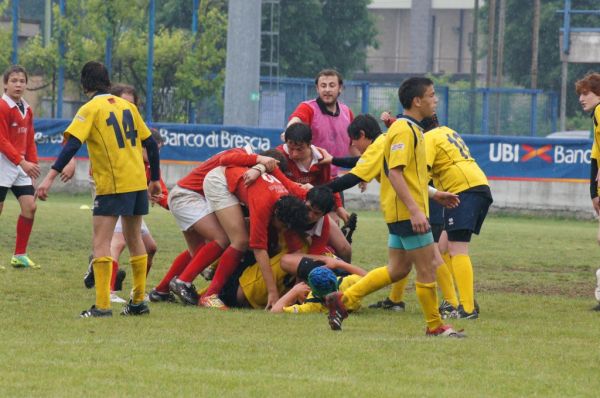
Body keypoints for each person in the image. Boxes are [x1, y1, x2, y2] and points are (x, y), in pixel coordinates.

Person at [322, 79, 464, 337]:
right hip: (406, 213)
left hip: (402, 212)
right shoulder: (403, 130)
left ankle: (343, 300)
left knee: (397, 270)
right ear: (417, 101)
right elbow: (395, 174)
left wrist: (433, 194)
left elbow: (408, 177)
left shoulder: (411, 130)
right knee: (429, 265)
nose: (436, 100)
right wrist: (415, 210)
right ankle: (435, 325)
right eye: (431, 95)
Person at [36, 61, 162, 318]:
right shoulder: (128, 107)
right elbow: (149, 141)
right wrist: (155, 179)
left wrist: (49, 178)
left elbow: (72, 145)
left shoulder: (90, 108)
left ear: (84, 85)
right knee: (135, 239)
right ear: (108, 82)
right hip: (137, 181)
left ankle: (103, 305)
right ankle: (138, 302)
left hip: (113, 184)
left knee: (101, 242)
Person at [156, 147, 278, 307]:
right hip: (189, 196)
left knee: (203, 249)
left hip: (187, 195)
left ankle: (161, 291)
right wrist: (259, 161)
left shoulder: (241, 155)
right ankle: (184, 282)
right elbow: (225, 161)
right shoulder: (242, 155)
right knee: (224, 239)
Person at [276, 123, 353, 260]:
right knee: (306, 252)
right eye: (291, 148)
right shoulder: (279, 155)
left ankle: (346, 279)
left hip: (314, 210)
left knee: (345, 249)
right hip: (289, 216)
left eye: (299, 149)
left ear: (309, 144)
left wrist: (338, 207)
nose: (293, 154)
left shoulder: (321, 158)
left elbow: (327, 187)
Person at [0, 65, 40, 269]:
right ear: (5, 84)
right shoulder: (2, 106)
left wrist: (32, 164)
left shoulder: (26, 108)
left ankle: (19, 254)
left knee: (30, 207)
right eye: (13, 80)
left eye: (22, 81)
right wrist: (22, 161)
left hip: (20, 165)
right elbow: (2, 140)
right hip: (3, 164)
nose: (18, 84)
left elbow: (30, 138)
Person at [287, 69, 357, 178]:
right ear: (317, 88)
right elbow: (296, 120)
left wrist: (362, 171)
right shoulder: (308, 108)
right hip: (309, 177)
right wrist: (289, 130)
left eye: (332, 85)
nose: (327, 90)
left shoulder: (347, 112)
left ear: (340, 88)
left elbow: (353, 145)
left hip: (334, 177)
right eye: (323, 86)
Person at [575, 72, 600, 312]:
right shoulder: (596, 118)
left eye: (586, 93)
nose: (582, 98)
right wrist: (594, 193)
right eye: (580, 94)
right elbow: (595, 158)